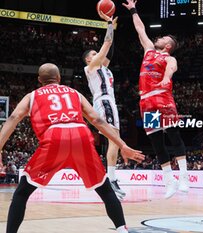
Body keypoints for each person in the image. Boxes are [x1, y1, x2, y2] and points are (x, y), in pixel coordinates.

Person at [0, 63, 145, 233]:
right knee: (105, 190)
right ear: (59, 79)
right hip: (81, 135)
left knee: (22, 192)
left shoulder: (32, 96)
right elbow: (97, 120)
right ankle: (122, 230)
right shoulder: (74, 93)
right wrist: (122, 145)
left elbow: (13, 118)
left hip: (54, 137)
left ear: (39, 80)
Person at [122, 0, 189, 198]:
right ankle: (170, 181)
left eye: (163, 38)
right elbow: (140, 29)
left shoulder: (169, 58)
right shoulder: (149, 50)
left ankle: (183, 177)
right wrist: (133, 9)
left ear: (168, 45)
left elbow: (171, 69)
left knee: (174, 136)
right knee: (157, 143)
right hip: (146, 102)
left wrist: (166, 79)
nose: (158, 38)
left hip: (162, 98)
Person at [82, 11, 125, 199]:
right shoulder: (91, 67)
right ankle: (111, 179)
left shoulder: (103, 67)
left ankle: (112, 178)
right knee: (114, 138)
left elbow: (110, 49)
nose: (96, 54)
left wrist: (112, 29)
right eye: (94, 53)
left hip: (109, 102)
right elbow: (106, 45)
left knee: (115, 139)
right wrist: (108, 24)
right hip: (104, 101)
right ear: (89, 59)